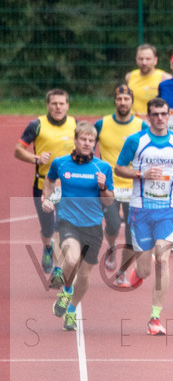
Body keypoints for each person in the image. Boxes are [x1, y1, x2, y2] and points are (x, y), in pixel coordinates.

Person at [114, 98, 173, 335]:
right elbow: (118, 168)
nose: (159, 118)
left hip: (169, 209)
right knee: (146, 268)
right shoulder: (136, 141)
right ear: (148, 117)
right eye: (155, 114)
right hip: (140, 209)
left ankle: (155, 317)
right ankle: (138, 272)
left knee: (163, 259)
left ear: (169, 115)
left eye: (163, 114)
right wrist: (140, 173)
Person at [44, 122, 115, 331]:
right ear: (75, 140)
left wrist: (103, 187)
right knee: (72, 258)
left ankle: (72, 311)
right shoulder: (61, 163)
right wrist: (45, 198)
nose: (87, 143)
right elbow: (48, 181)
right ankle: (66, 291)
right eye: (83, 139)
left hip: (92, 226)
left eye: (91, 140)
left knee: (84, 275)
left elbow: (110, 201)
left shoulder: (103, 167)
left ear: (95, 143)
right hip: (68, 222)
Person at [15, 88, 76, 280]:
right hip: (43, 186)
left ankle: (58, 270)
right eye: (54, 104)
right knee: (48, 229)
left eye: (61, 103)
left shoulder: (75, 124)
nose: (58, 107)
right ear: (48, 105)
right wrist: (36, 158)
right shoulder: (36, 125)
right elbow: (18, 151)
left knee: (62, 227)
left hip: (68, 187)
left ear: (67, 105)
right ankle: (47, 247)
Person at [95, 85, 145, 281]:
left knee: (132, 232)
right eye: (119, 99)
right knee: (114, 225)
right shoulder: (101, 124)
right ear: (114, 102)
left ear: (132, 102)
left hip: (135, 185)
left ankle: (123, 271)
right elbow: (88, 144)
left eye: (126, 99)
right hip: (110, 185)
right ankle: (112, 247)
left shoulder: (141, 126)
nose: (123, 103)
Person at [125, 44, 171, 117]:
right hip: (134, 121)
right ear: (136, 59)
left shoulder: (165, 78)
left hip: (154, 121)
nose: (144, 62)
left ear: (155, 60)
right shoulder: (130, 76)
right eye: (141, 59)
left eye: (148, 59)